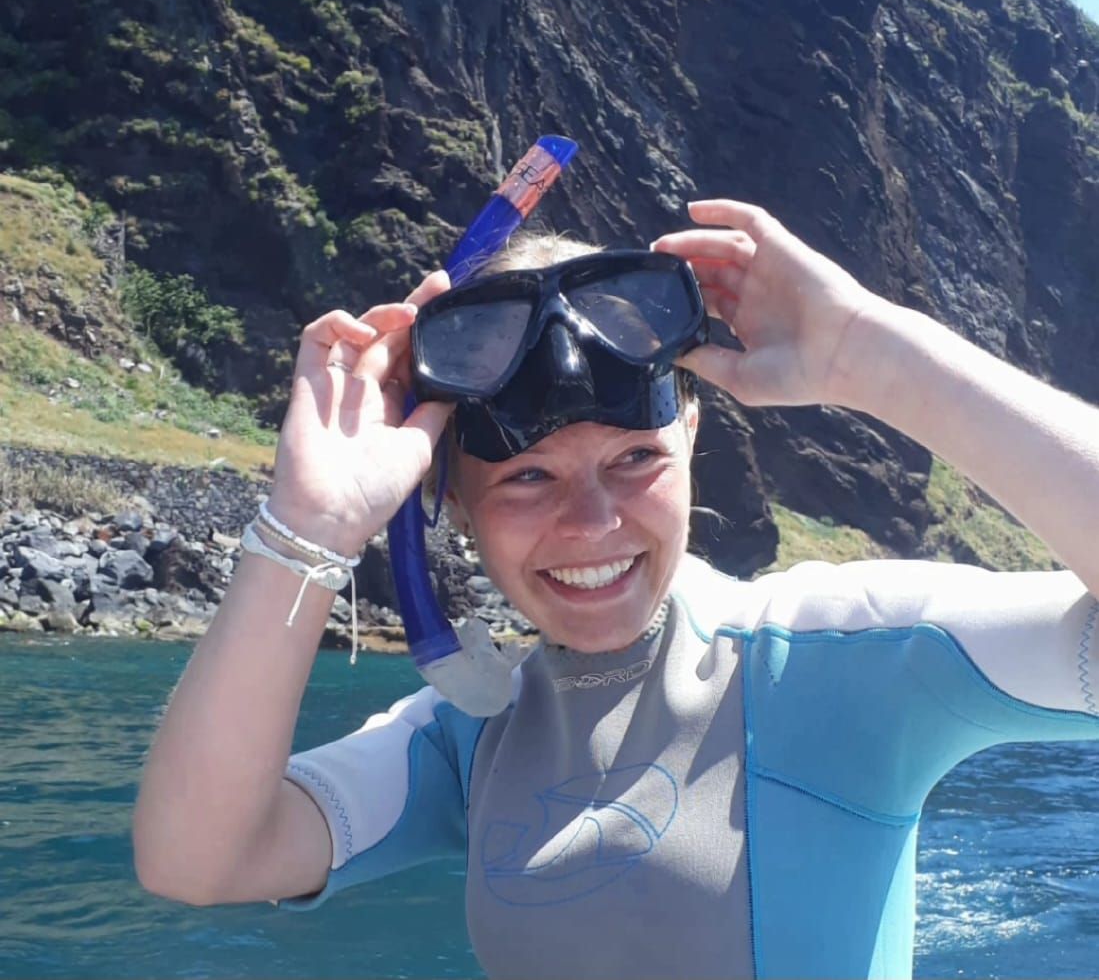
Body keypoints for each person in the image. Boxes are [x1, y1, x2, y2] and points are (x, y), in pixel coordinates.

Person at [133, 199, 1099, 980]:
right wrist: (307, 526)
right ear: (452, 501)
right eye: (527, 477)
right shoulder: (473, 731)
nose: (591, 523)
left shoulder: (842, 657)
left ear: (690, 436)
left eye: (635, 458)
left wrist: (870, 355)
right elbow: (198, 858)